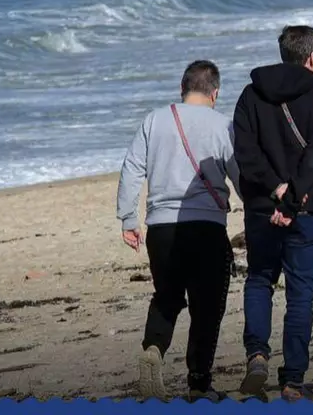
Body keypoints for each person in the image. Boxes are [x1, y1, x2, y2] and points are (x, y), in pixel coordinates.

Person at [115, 60, 239, 402]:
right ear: (215, 93)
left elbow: (131, 168)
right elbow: (240, 172)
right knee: (207, 305)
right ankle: (199, 382)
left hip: (161, 228)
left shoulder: (154, 120)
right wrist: (259, 210)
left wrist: (128, 218)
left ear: (182, 89)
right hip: (207, 226)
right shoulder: (223, 125)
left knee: (167, 296)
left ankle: (153, 348)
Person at [232, 26, 313, 403]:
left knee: (260, 280)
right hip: (305, 207)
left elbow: (245, 155)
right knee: (300, 294)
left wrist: (276, 189)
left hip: (262, 205)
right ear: (312, 57)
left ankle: (257, 355)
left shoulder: (250, 95)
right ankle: (293, 380)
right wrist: (292, 198)